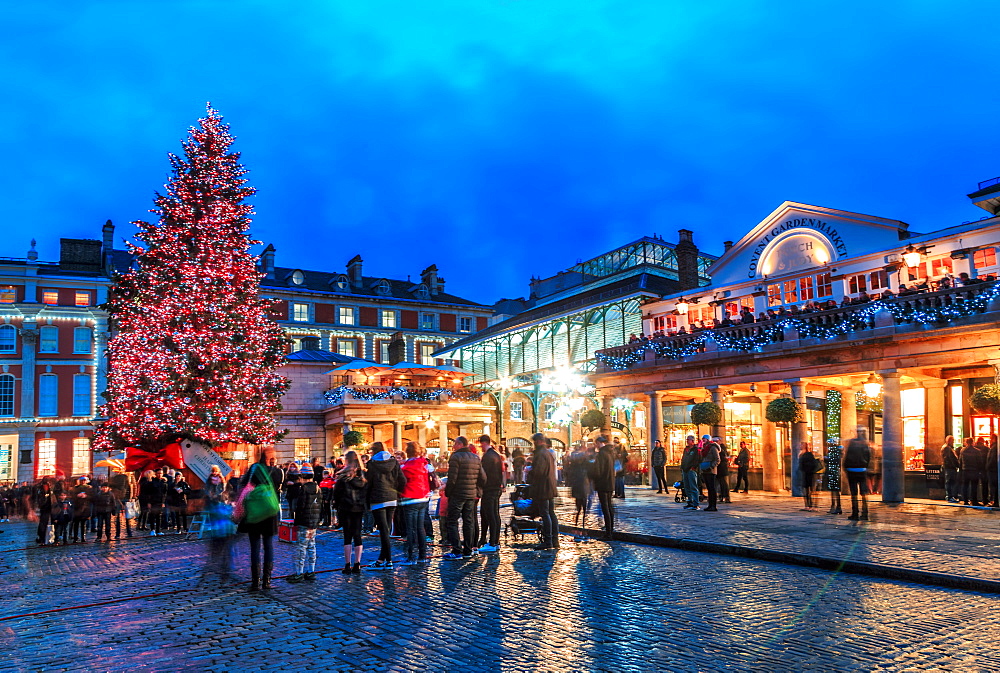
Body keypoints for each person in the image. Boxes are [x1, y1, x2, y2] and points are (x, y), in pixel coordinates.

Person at [238, 451, 282, 592]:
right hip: (269, 512)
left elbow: (244, 485)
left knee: (255, 547)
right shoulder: (277, 471)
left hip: (255, 512)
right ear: (271, 458)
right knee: (269, 546)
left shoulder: (254, 468)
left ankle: (255, 582)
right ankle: (267, 581)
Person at [443, 436, 486, 560]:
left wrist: (448, 492)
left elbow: (452, 478)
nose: (453, 447)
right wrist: (476, 489)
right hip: (471, 494)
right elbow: (483, 478)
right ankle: (468, 550)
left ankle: (457, 550)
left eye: (455, 444)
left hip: (458, 494)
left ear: (460, 444)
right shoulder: (475, 458)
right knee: (468, 521)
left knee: (452, 521)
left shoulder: (456, 457)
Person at [365, 442, 406, 570]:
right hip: (391, 499)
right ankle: (382, 559)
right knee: (386, 531)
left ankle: (388, 561)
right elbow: (402, 480)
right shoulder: (394, 462)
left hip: (377, 499)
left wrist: (367, 500)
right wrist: (396, 492)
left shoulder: (372, 464)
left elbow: (368, 484)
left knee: (384, 532)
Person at [333, 450, 367, 574]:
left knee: (347, 536)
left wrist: (336, 506)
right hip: (358, 508)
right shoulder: (363, 476)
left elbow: (336, 494)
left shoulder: (343, 476)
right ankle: (357, 564)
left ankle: (347, 565)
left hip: (345, 508)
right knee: (357, 535)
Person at [286, 464, 321, 583]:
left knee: (301, 548)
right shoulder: (317, 488)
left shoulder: (303, 489)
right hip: (313, 523)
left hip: (304, 523)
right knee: (312, 546)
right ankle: (311, 571)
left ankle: (299, 573)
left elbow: (300, 507)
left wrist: (296, 522)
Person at [399, 442, 433, 565]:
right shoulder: (424, 464)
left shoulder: (405, 467)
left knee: (410, 528)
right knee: (420, 527)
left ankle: (411, 557)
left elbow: (401, 482)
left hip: (410, 498)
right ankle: (422, 556)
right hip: (423, 497)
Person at [526, 432, 559, 550]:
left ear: (538, 441)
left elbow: (539, 472)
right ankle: (554, 540)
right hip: (549, 486)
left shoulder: (541, 454)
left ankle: (548, 540)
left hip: (543, 488)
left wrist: (530, 471)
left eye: (535, 442)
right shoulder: (548, 453)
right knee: (550, 513)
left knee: (546, 513)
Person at [478, 435, 504, 553]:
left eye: (481, 444)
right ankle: (495, 541)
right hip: (495, 488)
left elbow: (484, 474)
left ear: (484, 443)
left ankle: (493, 542)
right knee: (494, 514)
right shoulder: (495, 455)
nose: (480, 447)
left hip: (489, 488)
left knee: (491, 515)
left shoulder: (488, 456)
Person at [591, 435, 616, 539]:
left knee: (605, 507)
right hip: (610, 482)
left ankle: (608, 532)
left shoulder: (601, 454)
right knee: (609, 506)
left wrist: (592, 473)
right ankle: (610, 528)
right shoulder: (610, 453)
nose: (595, 445)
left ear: (600, 443)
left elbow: (598, 471)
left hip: (603, 483)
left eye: (596, 443)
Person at [843, 431, 871, 521]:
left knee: (854, 493)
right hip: (862, 470)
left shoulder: (852, 443)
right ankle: (865, 513)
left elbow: (847, 457)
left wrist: (845, 467)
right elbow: (868, 456)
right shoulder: (864, 444)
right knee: (863, 492)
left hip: (852, 470)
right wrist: (865, 466)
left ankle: (855, 513)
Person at [566, 443, 593, 526]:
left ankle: (577, 522)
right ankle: (582, 522)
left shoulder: (573, 462)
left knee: (578, 506)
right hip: (583, 484)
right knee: (583, 505)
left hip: (578, 484)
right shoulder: (585, 462)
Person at [962, 438, 986, 506]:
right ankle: (974, 501)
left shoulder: (963, 451)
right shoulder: (977, 451)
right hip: (974, 471)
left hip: (965, 470)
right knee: (974, 486)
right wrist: (980, 470)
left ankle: (965, 500)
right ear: (972, 442)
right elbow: (980, 462)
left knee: (965, 486)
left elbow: (960, 461)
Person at [699, 435, 720, 512]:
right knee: (708, 488)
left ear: (708, 440)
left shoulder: (713, 448)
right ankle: (710, 505)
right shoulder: (704, 448)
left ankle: (713, 505)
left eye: (704, 439)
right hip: (705, 470)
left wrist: (711, 466)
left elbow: (717, 459)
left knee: (712, 488)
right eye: (702, 439)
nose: (703, 440)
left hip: (711, 471)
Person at [680, 436, 701, 510]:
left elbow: (697, 459)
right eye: (687, 440)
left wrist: (694, 467)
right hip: (685, 469)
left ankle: (696, 503)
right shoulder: (686, 449)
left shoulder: (696, 449)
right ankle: (690, 502)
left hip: (691, 469)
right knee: (687, 486)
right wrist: (682, 466)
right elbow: (683, 458)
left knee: (693, 486)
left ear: (692, 441)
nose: (687, 441)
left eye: (688, 440)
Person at [71, 476, 93, 543]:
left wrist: (86, 496)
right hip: (77, 507)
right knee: (76, 523)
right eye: (82, 480)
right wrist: (77, 496)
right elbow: (72, 496)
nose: (83, 482)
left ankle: (83, 537)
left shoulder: (89, 488)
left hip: (85, 507)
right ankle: (75, 537)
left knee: (83, 523)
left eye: (84, 480)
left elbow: (92, 497)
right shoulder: (76, 488)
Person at [798, 443, 818, 510]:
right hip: (808, 473)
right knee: (808, 489)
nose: (800, 446)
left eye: (801, 445)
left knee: (808, 489)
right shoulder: (805, 454)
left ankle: (809, 505)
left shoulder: (806, 454)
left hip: (807, 473)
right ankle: (809, 505)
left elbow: (803, 465)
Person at [825, 440, 843, 515]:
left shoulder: (833, 453)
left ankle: (837, 506)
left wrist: (826, 458)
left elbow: (832, 461)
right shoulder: (836, 452)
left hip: (833, 472)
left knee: (834, 490)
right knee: (834, 490)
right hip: (834, 472)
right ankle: (835, 506)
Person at [941, 436, 960, 503]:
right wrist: (957, 465)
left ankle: (950, 496)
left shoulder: (947, 448)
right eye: (952, 440)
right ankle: (950, 496)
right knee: (950, 482)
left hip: (949, 467)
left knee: (950, 482)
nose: (953, 442)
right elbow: (950, 458)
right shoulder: (947, 448)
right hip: (950, 468)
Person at [715, 436, 731, 504]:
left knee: (723, 483)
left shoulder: (720, 449)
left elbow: (721, 459)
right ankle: (722, 496)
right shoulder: (720, 449)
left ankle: (725, 497)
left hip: (721, 468)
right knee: (721, 483)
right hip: (720, 468)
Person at [987, 435, 998, 508]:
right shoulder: (995, 447)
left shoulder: (994, 448)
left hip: (993, 470)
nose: (990, 440)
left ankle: (995, 501)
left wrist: (988, 467)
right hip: (994, 470)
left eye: (991, 439)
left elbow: (992, 459)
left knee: (994, 486)